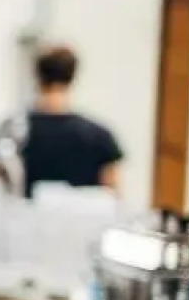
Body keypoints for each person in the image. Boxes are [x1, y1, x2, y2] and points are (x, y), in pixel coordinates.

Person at [19, 45, 122, 197]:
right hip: (84, 220)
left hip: (28, 219)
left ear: (38, 77)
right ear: (72, 77)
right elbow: (113, 198)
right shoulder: (100, 137)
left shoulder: (16, 135)